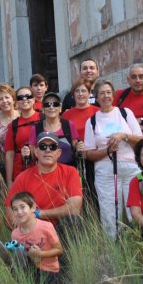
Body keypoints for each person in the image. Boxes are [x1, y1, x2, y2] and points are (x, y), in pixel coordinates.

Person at [82, 81, 143, 239]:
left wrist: (123, 136)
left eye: (108, 92)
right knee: (109, 210)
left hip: (130, 167)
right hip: (106, 170)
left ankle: (139, 243)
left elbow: (140, 139)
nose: (106, 96)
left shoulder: (125, 113)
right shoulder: (92, 121)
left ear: (113, 94)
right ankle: (113, 246)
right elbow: (89, 153)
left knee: (135, 208)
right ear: (96, 97)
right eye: (102, 93)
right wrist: (107, 150)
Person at [4, 132, 83, 238]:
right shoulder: (23, 177)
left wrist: (38, 213)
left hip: (61, 230)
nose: (47, 150)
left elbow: (74, 209)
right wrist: (25, 225)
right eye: (43, 146)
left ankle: (64, 254)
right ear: (36, 152)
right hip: (33, 231)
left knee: (73, 221)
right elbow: (9, 214)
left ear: (59, 152)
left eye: (52, 147)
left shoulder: (71, 172)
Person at [61, 79, 101, 212]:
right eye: (77, 91)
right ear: (73, 95)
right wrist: (75, 146)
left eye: (84, 90)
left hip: (95, 155)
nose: (80, 94)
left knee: (95, 189)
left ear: (90, 93)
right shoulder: (66, 115)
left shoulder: (97, 111)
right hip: (75, 157)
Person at [8, 191, 63, 284]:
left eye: (22, 207)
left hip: (49, 271)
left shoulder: (46, 227)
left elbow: (59, 250)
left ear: (33, 208)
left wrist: (40, 254)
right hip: (30, 271)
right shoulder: (15, 234)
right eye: (15, 209)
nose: (19, 212)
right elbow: (20, 257)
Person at [4, 86, 41, 187]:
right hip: (19, 173)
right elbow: (9, 154)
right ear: (17, 102)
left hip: (42, 171)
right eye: (20, 97)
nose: (24, 99)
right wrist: (9, 181)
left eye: (28, 96)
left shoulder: (43, 119)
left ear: (33, 100)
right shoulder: (13, 125)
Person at [29, 92, 78, 167]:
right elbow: (33, 155)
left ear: (60, 107)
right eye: (47, 104)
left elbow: (75, 151)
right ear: (43, 109)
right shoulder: (36, 129)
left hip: (68, 172)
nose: (51, 107)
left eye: (55, 104)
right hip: (45, 172)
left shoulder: (69, 125)